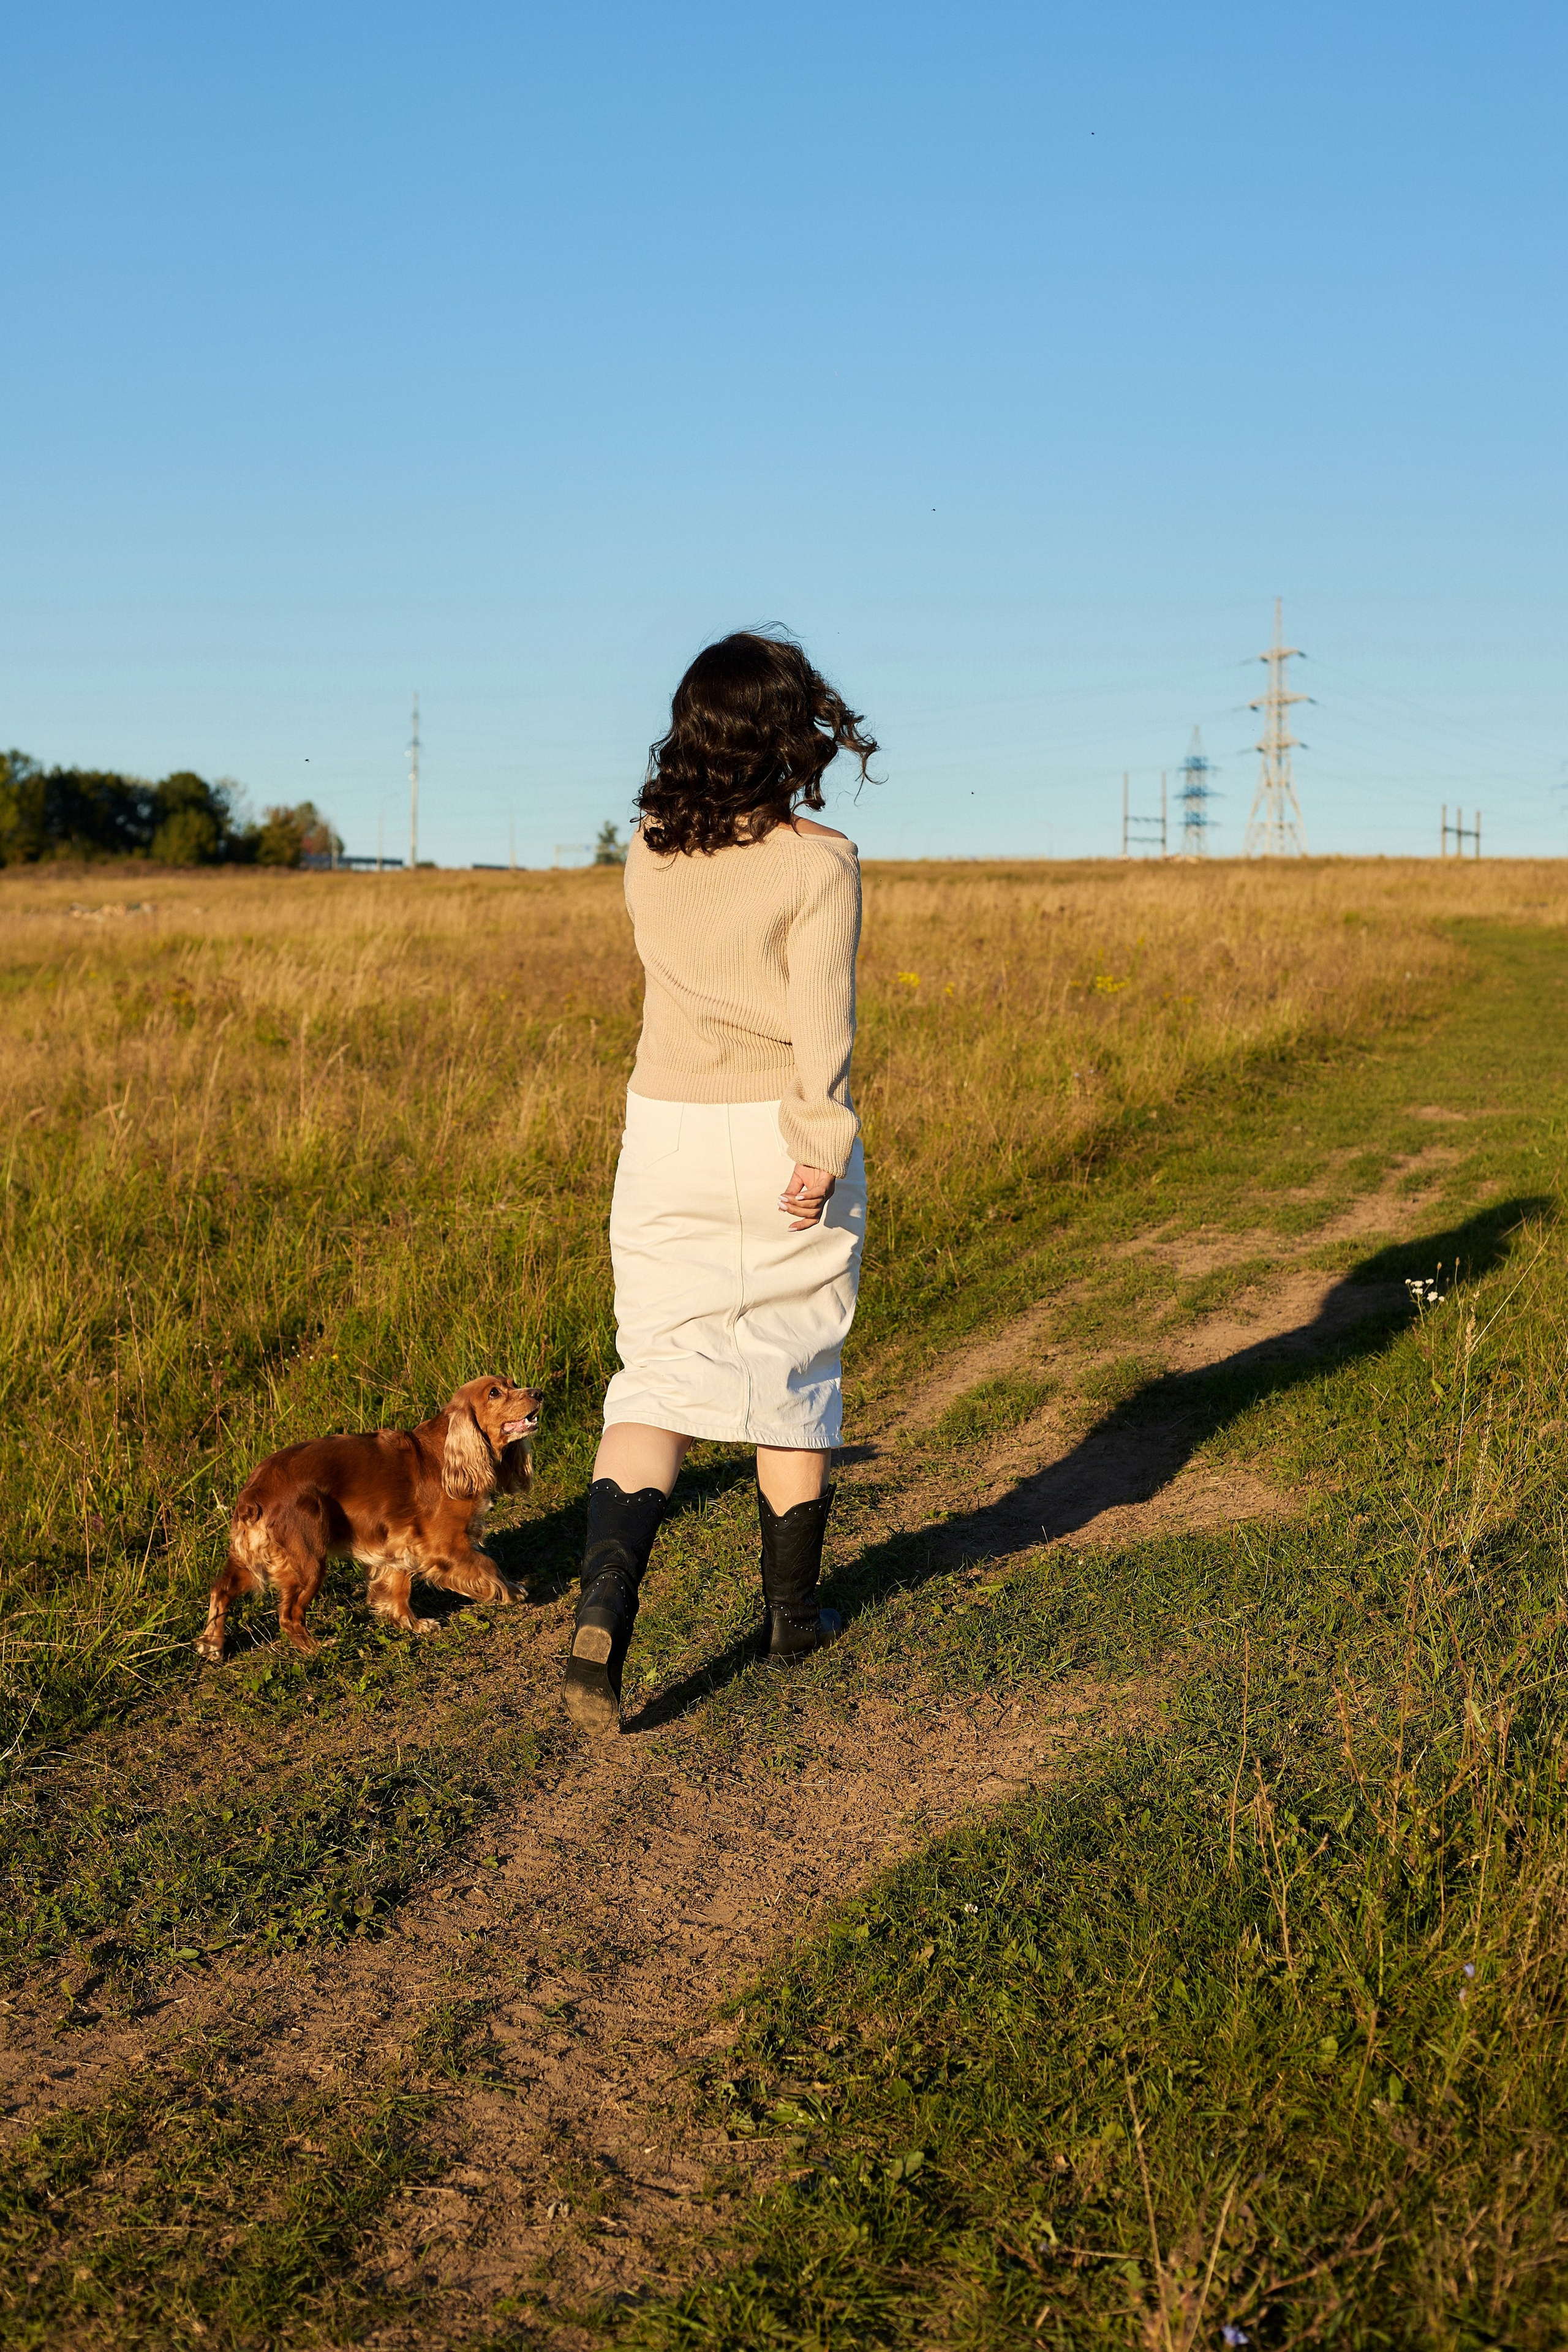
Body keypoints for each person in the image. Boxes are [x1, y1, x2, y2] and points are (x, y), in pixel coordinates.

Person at [564, 631, 876, 1736]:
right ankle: (791, 1616)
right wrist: (821, 1140)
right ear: (790, 736)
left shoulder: (649, 851)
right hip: (775, 1130)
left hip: (664, 1133)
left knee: (655, 1374)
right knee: (792, 1359)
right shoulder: (817, 861)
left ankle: (605, 1608)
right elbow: (819, 1026)